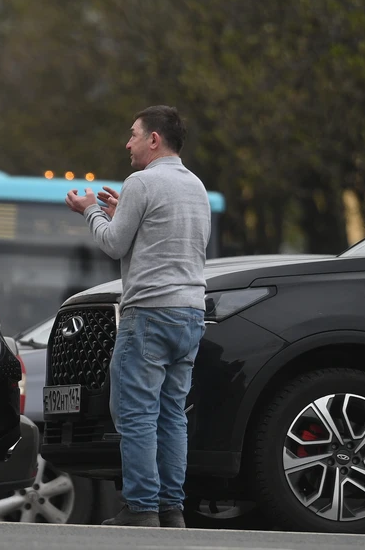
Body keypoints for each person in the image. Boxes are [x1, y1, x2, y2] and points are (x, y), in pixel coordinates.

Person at [65, 105, 211, 528]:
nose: (126, 143)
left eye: (133, 135)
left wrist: (90, 211)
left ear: (154, 139)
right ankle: (172, 509)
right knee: (171, 415)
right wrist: (121, 211)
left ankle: (142, 508)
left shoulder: (142, 182)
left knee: (135, 413)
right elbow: (163, 240)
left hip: (149, 313)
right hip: (190, 314)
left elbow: (113, 244)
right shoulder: (196, 186)